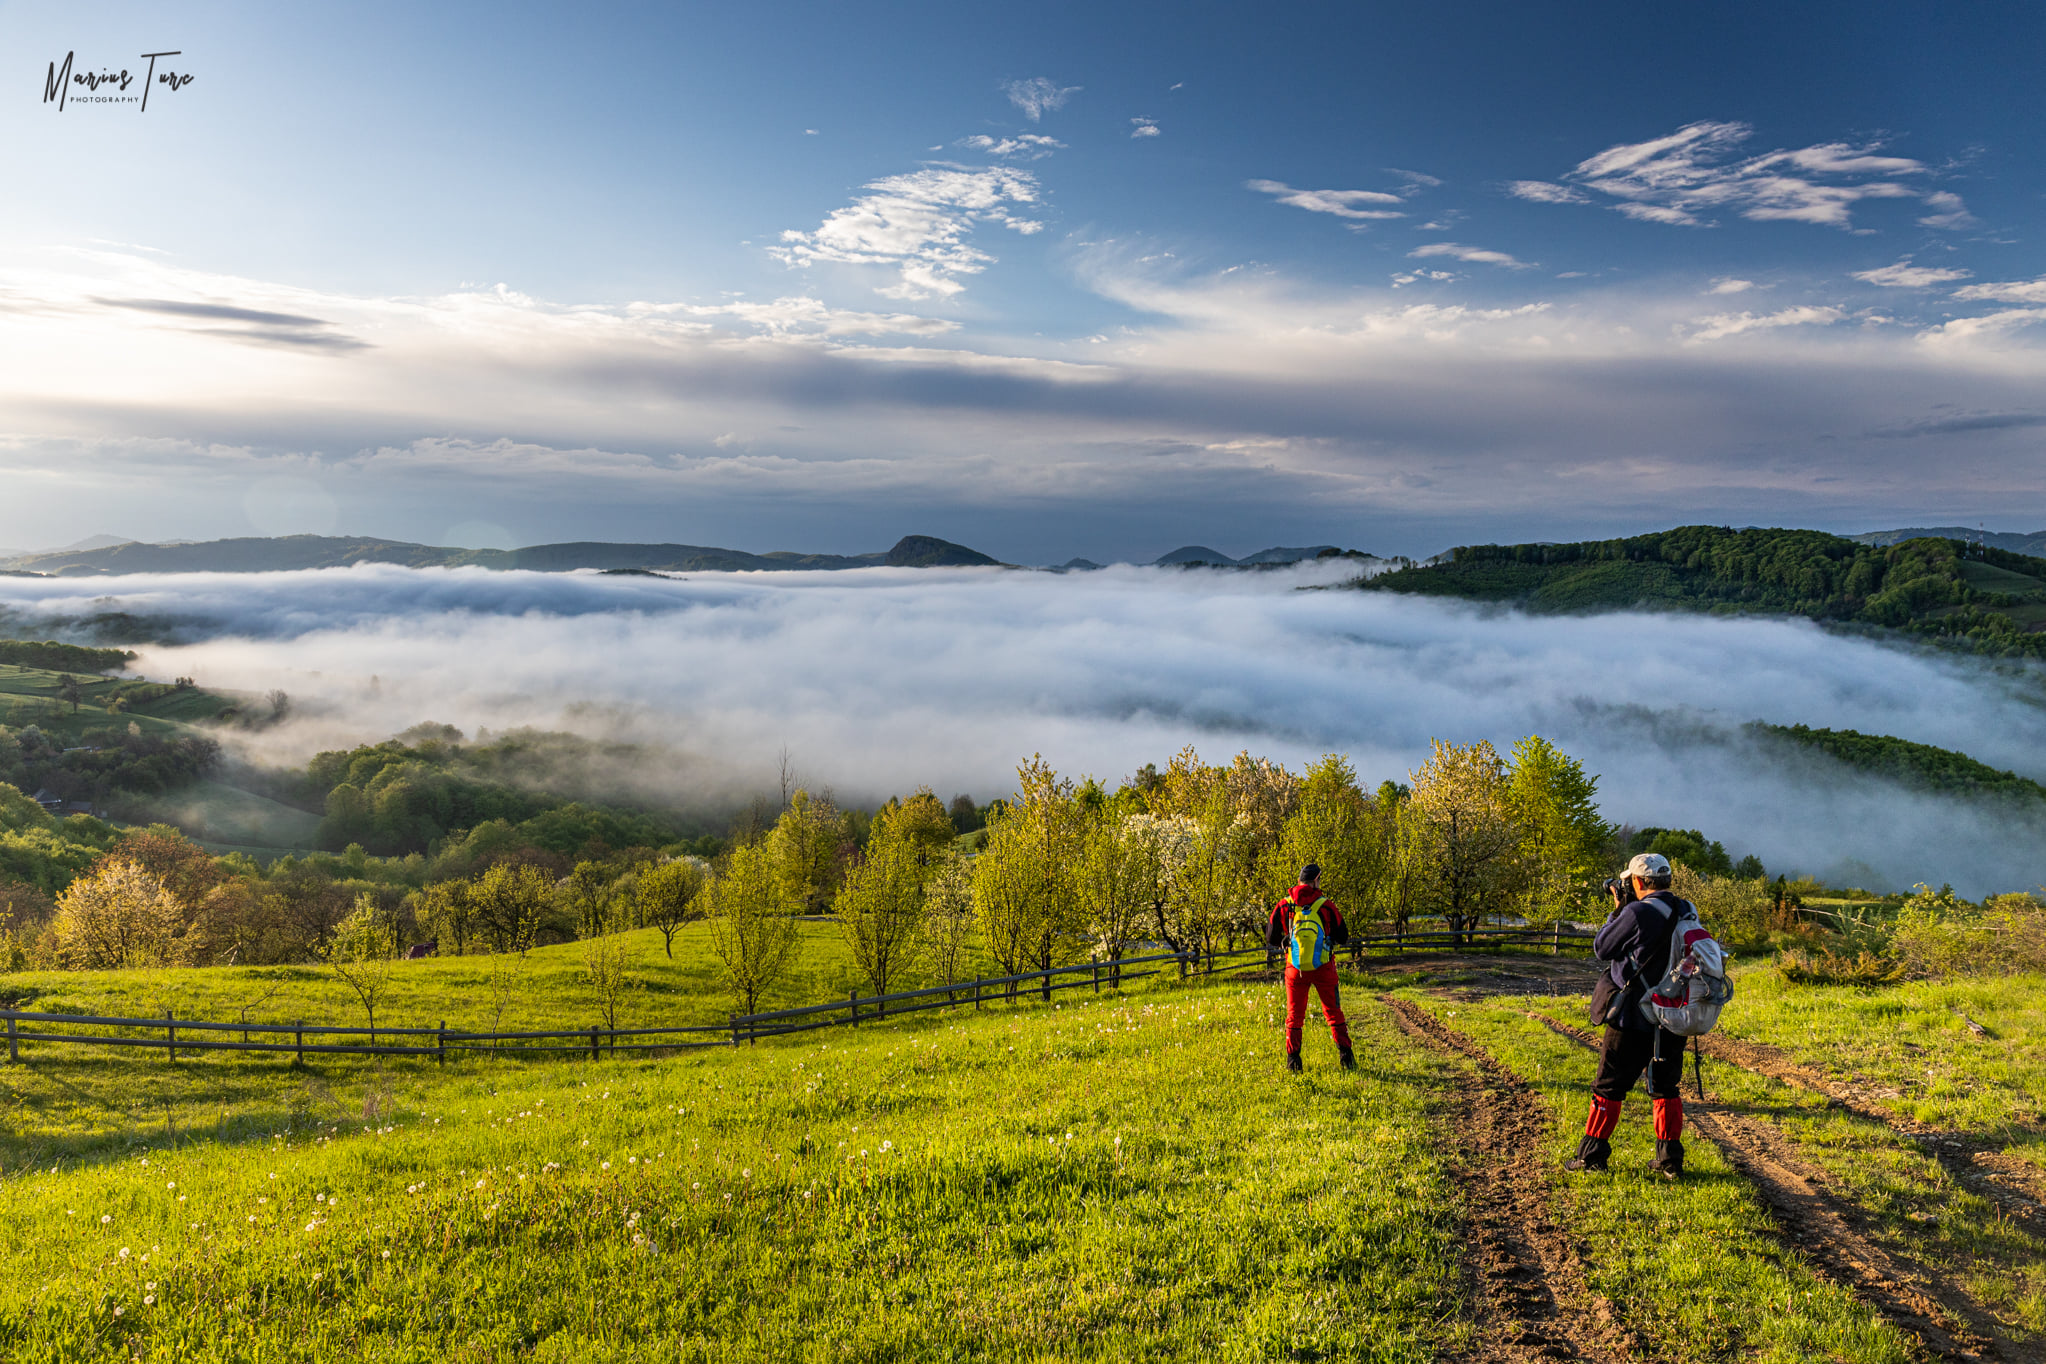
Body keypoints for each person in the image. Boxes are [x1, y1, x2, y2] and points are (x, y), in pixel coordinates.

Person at [1566, 851, 1691, 1179]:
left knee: (1609, 1085)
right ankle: (1669, 1162)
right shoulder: (1685, 909)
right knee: (1666, 1087)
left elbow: (1603, 948)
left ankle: (1592, 1155)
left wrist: (1619, 909)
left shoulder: (1637, 912)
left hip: (1633, 1015)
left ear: (1637, 881)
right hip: (1673, 1014)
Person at [1265, 863, 1355, 1072]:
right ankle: (1346, 1057)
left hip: (1294, 968)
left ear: (1299, 881)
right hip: (1323, 966)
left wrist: (1287, 940)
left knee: (1294, 1014)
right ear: (1316, 880)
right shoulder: (1326, 905)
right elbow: (1343, 937)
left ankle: (1293, 1061)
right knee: (1333, 1011)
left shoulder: (1284, 905)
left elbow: (1270, 938)